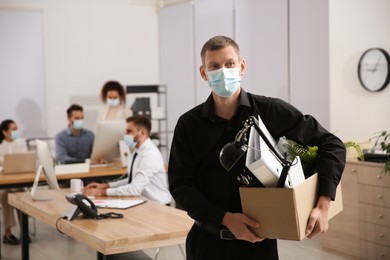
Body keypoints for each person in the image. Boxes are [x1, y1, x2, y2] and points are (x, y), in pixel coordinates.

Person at [168, 35, 346, 259]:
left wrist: (322, 205)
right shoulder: (188, 124)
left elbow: (332, 145)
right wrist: (224, 218)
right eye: (214, 66)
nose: (223, 71)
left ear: (242, 67)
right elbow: (180, 187)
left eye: (229, 64)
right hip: (207, 244)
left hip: (259, 246)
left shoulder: (270, 111)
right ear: (203, 73)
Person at [84, 115, 171, 205]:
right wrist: (105, 186)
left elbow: (134, 189)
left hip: (159, 206)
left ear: (141, 132)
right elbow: (132, 180)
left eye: (129, 131)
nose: (125, 135)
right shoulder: (137, 151)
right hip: (146, 203)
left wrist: (102, 192)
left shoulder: (150, 154)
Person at [0, 119, 28, 245]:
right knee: (5, 196)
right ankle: (7, 233)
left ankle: (24, 231)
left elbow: (26, 159)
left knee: (20, 195)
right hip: (2, 184)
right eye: (13, 129)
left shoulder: (21, 143)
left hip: (18, 181)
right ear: (5, 132)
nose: (16, 132)